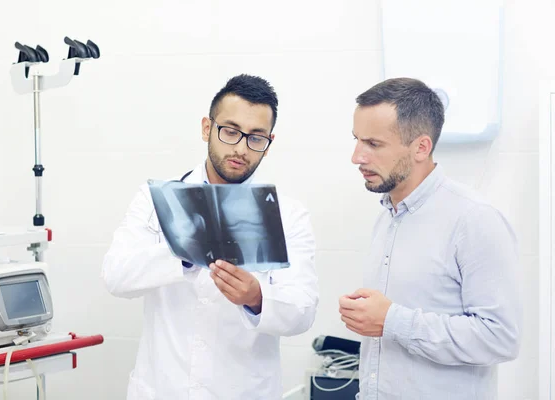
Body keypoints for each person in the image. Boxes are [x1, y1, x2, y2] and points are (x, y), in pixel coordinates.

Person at [102, 74, 319, 400]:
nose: (241, 149)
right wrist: (186, 249)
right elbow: (116, 276)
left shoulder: (289, 215)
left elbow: (303, 310)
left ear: (268, 142)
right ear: (207, 128)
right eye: (230, 132)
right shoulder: (155, 200)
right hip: (163, 389)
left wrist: (256, 297)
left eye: (256, 138)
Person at [339, 77, 522, 399]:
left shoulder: (474, 219)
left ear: (421, 147)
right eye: (357, 140)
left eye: (373, 144)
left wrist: (392, 320)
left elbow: (500, 337)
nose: (357, 157)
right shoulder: (387, 218)